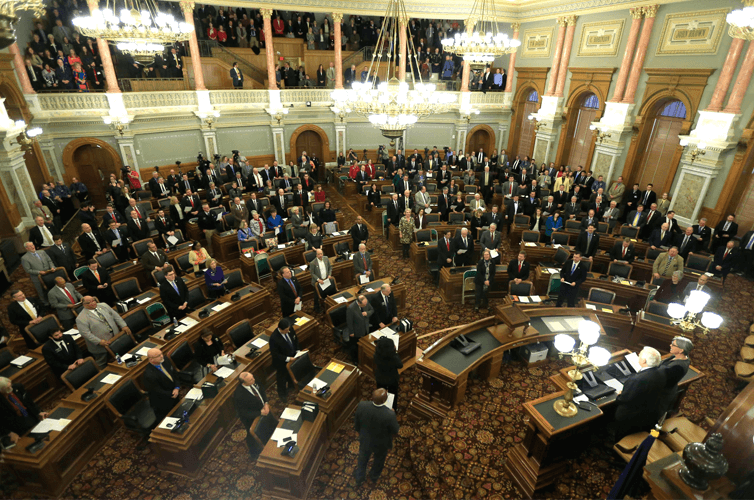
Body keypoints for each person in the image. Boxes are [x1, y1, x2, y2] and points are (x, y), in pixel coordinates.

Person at [609, 347, 666, 441]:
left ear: (644, 361)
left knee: (622, 435)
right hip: (650, 414)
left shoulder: (636, 380)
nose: (638, 357)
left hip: (631, 416)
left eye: (639, 356)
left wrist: (620, 395)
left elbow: (623, 400)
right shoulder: (662, 373)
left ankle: (618, 446)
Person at [353, 388, 400, 485]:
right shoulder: (390, 414)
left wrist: (359, 432)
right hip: (381, 443)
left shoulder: (362, 405)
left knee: (362, 458)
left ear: (372, 397)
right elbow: (395, 430)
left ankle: (359, 477)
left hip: (365, 439)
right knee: (379, 460)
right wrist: (393, 413)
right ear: (384, 401)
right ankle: (373, 477)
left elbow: (356, 421)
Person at [76, 295, 129, 368]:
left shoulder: (103, 305)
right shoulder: (81, 318)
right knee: (102, 364)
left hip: (115, 338)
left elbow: (115, 316)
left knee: (121, 357)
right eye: (89, 302)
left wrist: (123, 325)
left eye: (93, 300)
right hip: (101, 346)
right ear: (84, 305)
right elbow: (85, 334)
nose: (93, 303)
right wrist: (99, 341)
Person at [0, 377, 47, 443]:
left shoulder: (17, 387)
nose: (11, 389)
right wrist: (9, 433)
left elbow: (28, 402)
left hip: (29, 415)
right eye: (8, 389)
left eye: (10, 386)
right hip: (16, 426)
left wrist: (38, 412)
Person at [234, 372, 270, 457]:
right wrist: (259, 413)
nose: (254, 379)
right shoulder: (239, 395)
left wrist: (266, 403)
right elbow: (243, 412)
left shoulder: (254, 380)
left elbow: (262, 392)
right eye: (251, 379)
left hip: (262, 409)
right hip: (250, 418)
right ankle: (254, 453)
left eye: (253, 377)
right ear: (244, 383)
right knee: (252, 434)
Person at [144, 348, 180, 423]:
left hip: (174, 393)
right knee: (169, 420)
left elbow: (174, 374)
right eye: (158, 356)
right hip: (162, 402)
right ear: (151, 360)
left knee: (179, 411)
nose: (161, 356)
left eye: (161, 354)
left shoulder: (165, 360)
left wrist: (177, 387)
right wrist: (172, 393)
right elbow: (157, 391)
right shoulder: (149, 374)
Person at [269, 318, 301, 399]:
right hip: (281, 363)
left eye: (288, 329)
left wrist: (297, 350)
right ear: (280, 329)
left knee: (291, 374)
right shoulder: (273, 338)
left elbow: (295, 340)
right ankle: (282, 395)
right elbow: (275, 354)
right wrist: (288, 359)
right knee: (282, 380)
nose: (288, 331)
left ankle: (291, 386)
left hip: (293, 357)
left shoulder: (289, 328)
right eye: (286, 330)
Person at [373, 338, 403, 411]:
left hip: (380, 378)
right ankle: (393, 408)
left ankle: (380, 406)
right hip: (392, 379)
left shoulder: (376, 355)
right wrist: (395, 353)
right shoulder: (394, 357)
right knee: (393, 393)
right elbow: (400, 365)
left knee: (380, 392)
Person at [346, 295, 374, 363]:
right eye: (364, 304)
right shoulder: (351, 308)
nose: (366, 304)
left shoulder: (365, 302)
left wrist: (367, 313)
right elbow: (349, 321)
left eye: (366, 303)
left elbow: (372, 310)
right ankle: (355, 360)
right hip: (356, 331)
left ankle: (363, 356)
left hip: (366, 327)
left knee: (364, 343)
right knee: (355, 346)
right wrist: (351, 332)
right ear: (359, 303)